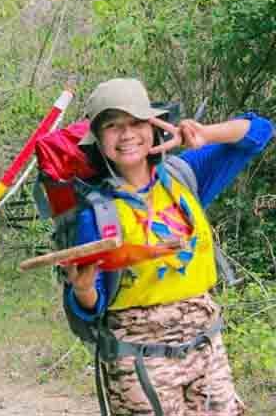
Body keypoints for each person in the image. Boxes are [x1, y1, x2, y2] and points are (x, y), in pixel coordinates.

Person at [66, 78, 274, 415]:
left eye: (136, 122)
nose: (127, 134)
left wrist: (206, 134)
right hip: (139, 361)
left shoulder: (185, 175)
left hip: (206, 348)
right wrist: (83, 289)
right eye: (113, 126)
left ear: (153, 126)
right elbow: (91, 305)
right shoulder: (96, 213)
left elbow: (260, 132)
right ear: (98, 140)